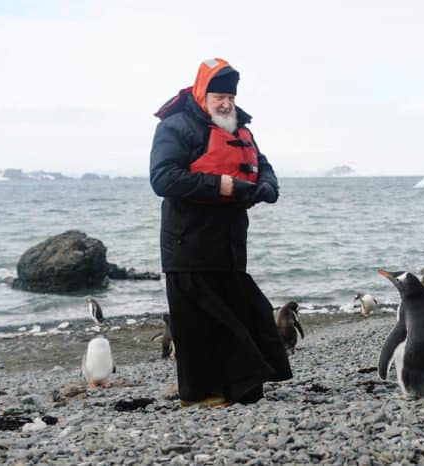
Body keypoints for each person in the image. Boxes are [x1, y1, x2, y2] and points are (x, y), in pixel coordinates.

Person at [149, 57, 292, 407]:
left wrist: (267, 188)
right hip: (188, 245)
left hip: (229, 246)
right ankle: (200, 395)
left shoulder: (237, 127)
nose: (227, 103)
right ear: (202, 94)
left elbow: (264, 166)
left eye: (230, 96)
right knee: (197, 325)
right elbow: (163, 177)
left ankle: (240, 389)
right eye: (219, 97)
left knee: (244, 314)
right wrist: (223, 186)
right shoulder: (177, 127)